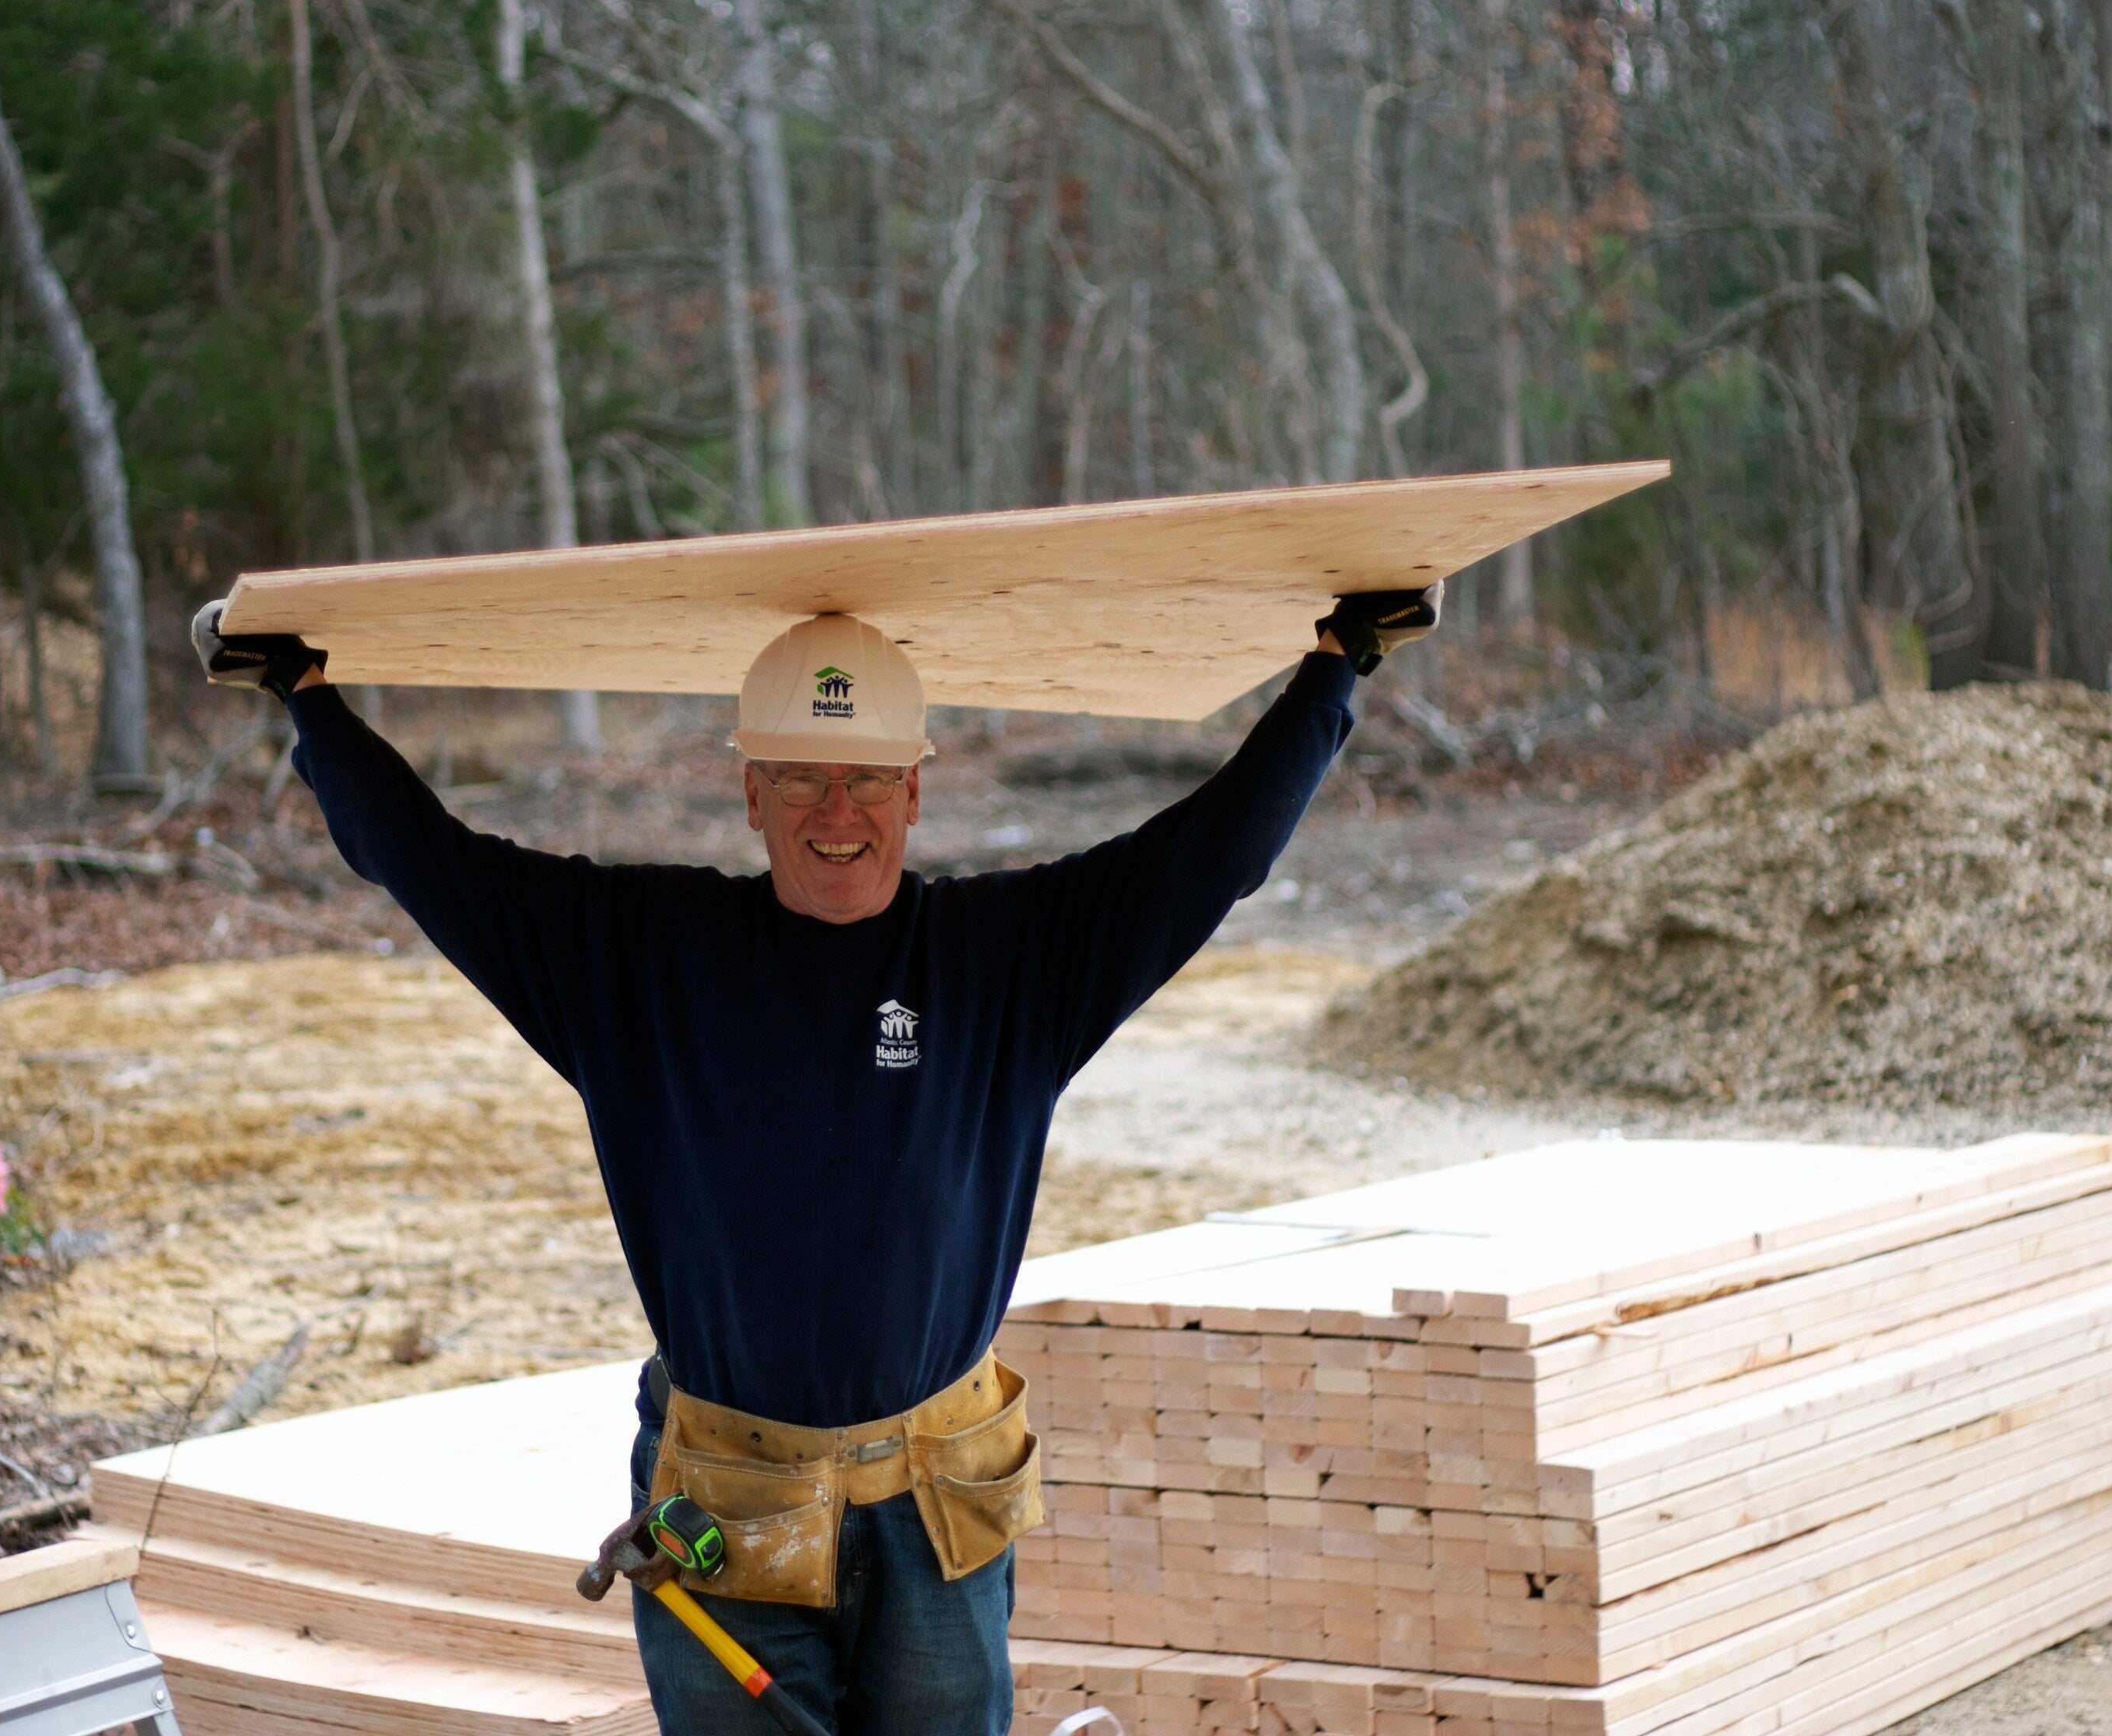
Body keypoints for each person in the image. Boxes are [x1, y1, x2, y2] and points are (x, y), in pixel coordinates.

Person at [191, 588, 1438, 1734]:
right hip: (729, 1495)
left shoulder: (1010, 964)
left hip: (939, 1497)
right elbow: (430, 861)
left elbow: (1213, 853)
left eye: (866, 779)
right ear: (749, 793)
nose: (834, 815)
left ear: (915, 791)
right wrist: (307, 700)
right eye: (798, 780)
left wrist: (1337, 670)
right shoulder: (637, 963)